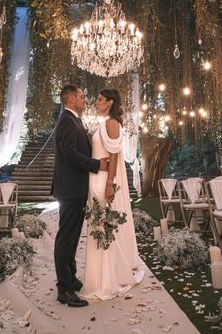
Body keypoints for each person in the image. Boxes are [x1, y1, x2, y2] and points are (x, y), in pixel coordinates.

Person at [79, 88, 145, 301]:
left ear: (109, 102)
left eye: (99, 99)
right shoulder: (103, 122)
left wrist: (109, 184)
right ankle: (97, 277)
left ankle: (107, 279)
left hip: (103, 180)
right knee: (98, 226)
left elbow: (114, 156)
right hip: (94, 177)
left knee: (103, 225)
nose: (96, 102)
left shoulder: (112, 123)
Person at [51, 84, 109, 308]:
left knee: (73, 236)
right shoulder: (67, 120)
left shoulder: (72, 119)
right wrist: (98, 165)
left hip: (74, 188)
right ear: (71, 99)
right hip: (70, 189)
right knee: (66, 237)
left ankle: (71, 277)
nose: (85, 100)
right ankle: (64, 289)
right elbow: (70, 154)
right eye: (82, 96)